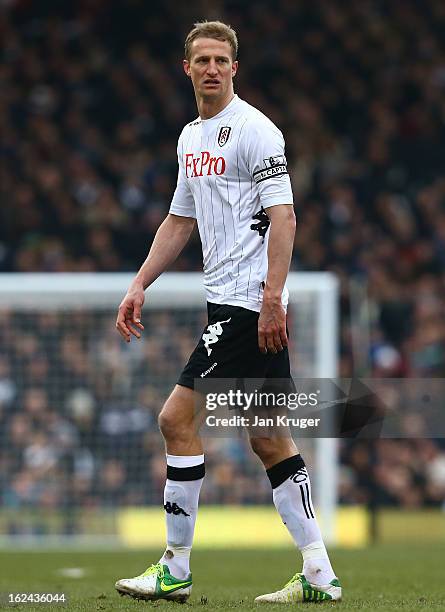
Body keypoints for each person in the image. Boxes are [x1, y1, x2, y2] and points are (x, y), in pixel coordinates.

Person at [114, 20, 341, 604]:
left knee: (175, 420)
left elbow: (284, 216)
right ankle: (319, 574)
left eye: (221, 59)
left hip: (247, 304)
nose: (211, 68)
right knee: (268, 437)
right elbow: (179, 221)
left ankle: (175, 567)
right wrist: (140, 283)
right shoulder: (191, 139)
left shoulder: (256, 130)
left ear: (235, 68)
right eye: (202, 60)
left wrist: (271, 297)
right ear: (185, 69)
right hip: (235, 303)